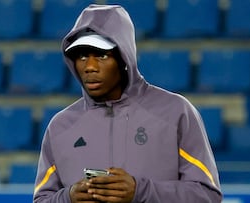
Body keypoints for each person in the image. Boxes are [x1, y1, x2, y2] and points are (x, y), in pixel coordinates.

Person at [33, 4, 222, 203]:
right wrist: (68, 198)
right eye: (81, 57)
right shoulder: (60, 127)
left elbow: (207, 195)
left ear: (124, 57)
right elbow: (42, 200)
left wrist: (141, 192)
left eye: (102, 55)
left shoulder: (175, 113)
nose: (89, 66)